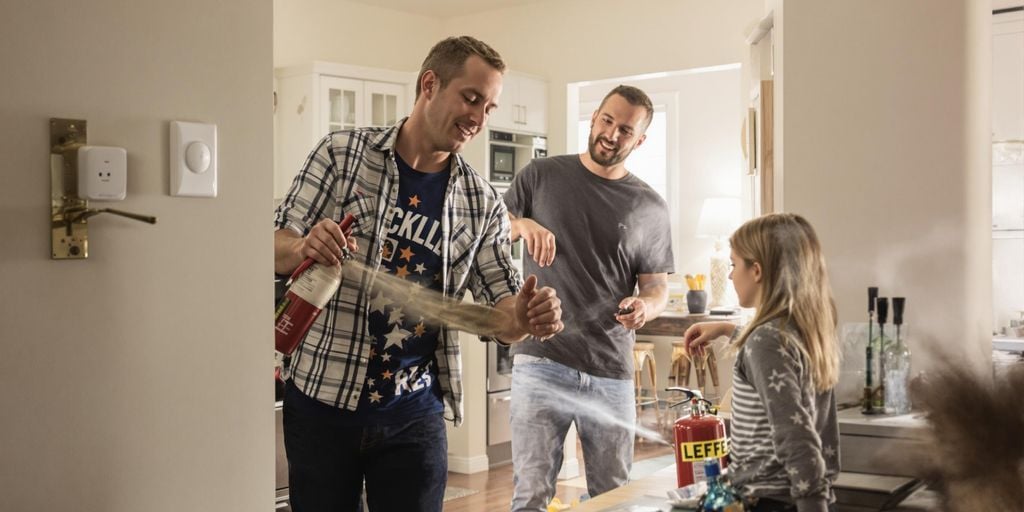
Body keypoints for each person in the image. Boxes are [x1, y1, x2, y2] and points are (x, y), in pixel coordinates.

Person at [273, 36, 564, 512]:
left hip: (413, 415)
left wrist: (527, 317)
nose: (479, 117)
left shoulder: (481, 202)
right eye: (471, 98)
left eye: (489, 107)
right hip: (322, 404)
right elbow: (272, 245)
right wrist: (304, 246)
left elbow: (503, 313)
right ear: (429, 84)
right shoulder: (341, 156)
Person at [503, 85, 675, 510]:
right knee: (531, 495)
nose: (612, 134)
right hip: (541, 359)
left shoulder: (649, 205)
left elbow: (656, 286)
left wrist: (645, 306)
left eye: (626, 130)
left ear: (640, 140)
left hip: (610, 369)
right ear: (595, 116)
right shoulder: (541, 175)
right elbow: (495, 225)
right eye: (607, 121)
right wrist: (524, 225)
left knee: (613, 497)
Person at [684, 213, 840, 512]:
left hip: (770, 501)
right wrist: (729, 330)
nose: (730, 275)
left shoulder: (765, 342)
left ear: (756, 270)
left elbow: (796, 437)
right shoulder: (804, 331)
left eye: (733, 264)